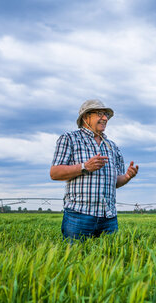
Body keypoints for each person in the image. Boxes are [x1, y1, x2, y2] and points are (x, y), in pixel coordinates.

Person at [50, 99, 139, 241]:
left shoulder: (112, 146)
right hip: (78, 216)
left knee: (108, 260)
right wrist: (84, 167)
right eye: (99, 114)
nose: (104, 118)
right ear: (86, 117)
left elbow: (114, 182)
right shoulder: (69, 139)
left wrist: (127, 177)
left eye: (106, 115)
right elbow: (54, 173)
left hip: (108, 218)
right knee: (74, 259)